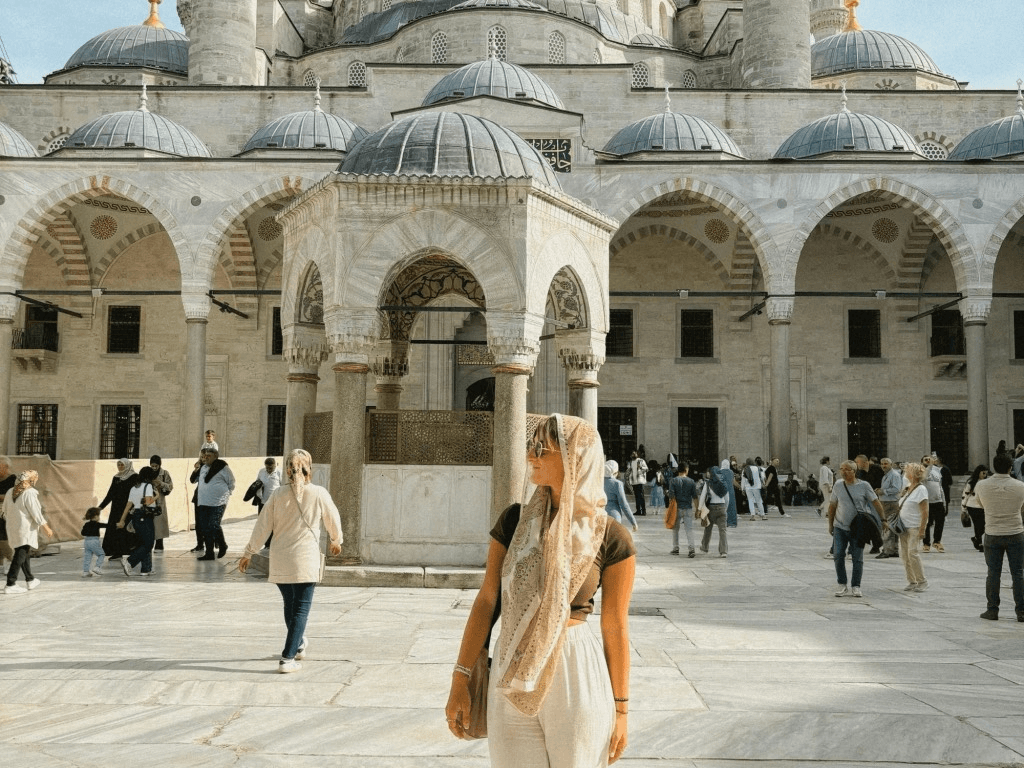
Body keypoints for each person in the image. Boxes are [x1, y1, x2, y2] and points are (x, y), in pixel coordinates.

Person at [445, 414, 636, 766]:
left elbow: (615, 626)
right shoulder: (515, 521)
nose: (531, 456)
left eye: (541, 450)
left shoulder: (611, 536)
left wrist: (621, 710)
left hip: (574, 668)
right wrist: (461, 678)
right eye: (531, 448)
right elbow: (488, 601)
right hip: (511, 665)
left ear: (574, 458)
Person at [239, 449, 343, 672]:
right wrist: (336, 540)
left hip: (281, 559)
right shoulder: (318, 493)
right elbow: (332, 518)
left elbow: (262, 526)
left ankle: (298, 645)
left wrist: (249, 552)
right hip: (305, 559)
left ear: (288, 470)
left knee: (290, 605)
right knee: (301, 609)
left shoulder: (277, 495)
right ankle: (287, 658)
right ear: (309, 469)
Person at [973, 453, 1024, 622]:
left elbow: (979, 504)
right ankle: (1021, 611)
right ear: (1011, 467)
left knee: (993, 573)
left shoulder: (982, 485)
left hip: (993, 532)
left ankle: (992, 610)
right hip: (1015, 532)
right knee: (1018, 573)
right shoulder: (1020, 485)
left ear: (993, 467)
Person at [827, 460, 886, 598]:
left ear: (854, 471)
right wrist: (830, 525)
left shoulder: (864, 486)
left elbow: (876, 503)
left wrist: (883, 519)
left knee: (857, 557)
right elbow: (832, 506)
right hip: (840, 526)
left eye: (847, 469)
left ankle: (856, 586)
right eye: (841, 468)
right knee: (838, 555)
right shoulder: (838, 485)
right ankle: (842, 584)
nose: (843, 471)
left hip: (858, 527)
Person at [3, 471, 53, 594]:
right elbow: (35, 512)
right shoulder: (30, 493)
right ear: (31, 480)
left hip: (13, 526)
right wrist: (46, 527)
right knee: (20, 553)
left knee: (23, 551)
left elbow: (4, 510)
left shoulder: (10, 491)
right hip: (25, 528)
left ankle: (30, 580)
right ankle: (10, 583)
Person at [190, 448, 235, 561]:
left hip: (218, 502)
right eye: (204, 456)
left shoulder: (223, 468)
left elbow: (231, 482)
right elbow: (193, 480)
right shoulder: (203, 467)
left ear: (215, 456)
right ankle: (209, 553)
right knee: (205, 528)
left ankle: (222, 545)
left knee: (213, 525)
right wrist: (196, 469)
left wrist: (226, 494)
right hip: (203, 502)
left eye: (208, 456)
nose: (205, 458)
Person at [117, 467, 160, 577]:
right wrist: (157, 496)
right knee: (149, 543)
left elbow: (128, 506)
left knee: (143, 542)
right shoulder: (148, 486)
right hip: (145, 516)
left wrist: (122, 520)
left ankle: (146, 569)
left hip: (136, 516)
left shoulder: (134, 488)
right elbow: (148, 501)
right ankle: (130, 562)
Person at [895, 462, 930, 593]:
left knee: (912, 553)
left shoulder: (921, 489)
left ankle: (922, 581)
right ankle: (912, 581)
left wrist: (923, 529)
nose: (905, 473)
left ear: (913, 474)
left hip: (914, 526)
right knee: (904, 555)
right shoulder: (908, 487)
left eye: (907, 471)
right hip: (903, 527)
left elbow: (925, 511)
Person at [98, 459, 139, 559]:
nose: (120, 467)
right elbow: (110, 494)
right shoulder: (116, 478)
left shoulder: (134, 477)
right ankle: (117, 552)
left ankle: (133, 552)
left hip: (129, 508)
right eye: (119, 465)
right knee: (116, 530)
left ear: (127, 465)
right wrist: (100, 507)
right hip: (116, 508)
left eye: (122, 465)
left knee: (129, 529)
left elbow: (137, 493)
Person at [700, 461, 730, 557]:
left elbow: (702, 496)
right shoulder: (724, 484)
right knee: (723, 530)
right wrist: (725, 508)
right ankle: (723, 551)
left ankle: (705, 547)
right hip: (722, 507)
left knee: (708, 529)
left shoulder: (708, 483)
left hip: (711, 509)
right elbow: (727, 499)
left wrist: (700, 509)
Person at [876, 458, 903, 559]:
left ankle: (887, 550)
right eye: (882, 464)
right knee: (892, 527)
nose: (883, 465)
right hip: (886, 502)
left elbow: (896, 489)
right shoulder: (887, 475)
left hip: (890, 503)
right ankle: (893, 550)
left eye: (886, 464)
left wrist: (883, 491)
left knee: (886, 526)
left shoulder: (894, 475)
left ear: (891, 464)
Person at [668, 465, 697, 557]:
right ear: (686, 470)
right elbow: (695, 497)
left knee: (675, 529)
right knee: (689, 529)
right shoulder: (691, 481)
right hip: (688, 507)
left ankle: (676, 548)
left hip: (677, 508)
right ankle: (691, 549)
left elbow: (671, 496)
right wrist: (697, 509)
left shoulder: (673, 480)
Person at [149, 455, 173, 552]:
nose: (154, 468)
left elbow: (170, 486)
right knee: (150, 523)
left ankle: (159, 545)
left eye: (156, 466)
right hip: (149, 500)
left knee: (159, 523)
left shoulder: (164, 473)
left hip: (160, 501)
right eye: (152, 466)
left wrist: (161, 484)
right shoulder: (148, 472)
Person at [962, 465, 989, 552]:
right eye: (983, 472)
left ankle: (976, 538)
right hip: (972, 506)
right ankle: (980, 542)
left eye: (986, 472)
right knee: (977, 524)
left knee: (984, 524)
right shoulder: (971, 482)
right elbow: (965, 495)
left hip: (983, 506)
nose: (984, 474)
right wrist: (963, 508)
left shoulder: (987, 482)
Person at [603, 461, 637, 531]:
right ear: (615, 472)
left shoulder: (599, 482)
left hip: (600, 515)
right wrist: (633, 522)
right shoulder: (617, 484)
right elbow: (624, 504)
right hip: (614, 516)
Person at [922, 455, 946, 553]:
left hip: (938, 500)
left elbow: (940, 486)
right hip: (926, 501)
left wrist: (944, 501)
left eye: (929, 459)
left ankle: (937, 541)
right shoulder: (921, 469)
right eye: (925, 460)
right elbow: (924, 477)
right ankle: (926, 543)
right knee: (926, 523)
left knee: (940, 522)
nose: (928, 461)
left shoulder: (937, 470)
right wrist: (930, 466)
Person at [0, 456, 16, 570]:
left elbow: (14, 496)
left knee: (3, 537)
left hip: (6, 513)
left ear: (6, 467)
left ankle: (10, 559)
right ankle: (2, 562)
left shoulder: (13, 479)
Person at [81, 507, 106, 577]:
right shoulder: (97, 524)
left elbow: (82, 533)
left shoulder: (86, 524)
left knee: (87, 557)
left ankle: (85, 572)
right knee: (101, 554)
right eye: (99, 516)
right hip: (94, 541)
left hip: (87, 541)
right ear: (96, 516)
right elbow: (107, 526)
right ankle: (97, 567)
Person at [626, 451, 648, 516]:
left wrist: (640, 467)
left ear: (637, 454)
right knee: (636, 497)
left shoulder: (641, 461)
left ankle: (644, 511)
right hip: (633, 481)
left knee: (641, 496)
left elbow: (646, 469)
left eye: (634, 453)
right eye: (632, 454)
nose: (633, 454)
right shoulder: (630, 462)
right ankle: (638, 510)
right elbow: (628, 471)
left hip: (640, 481)